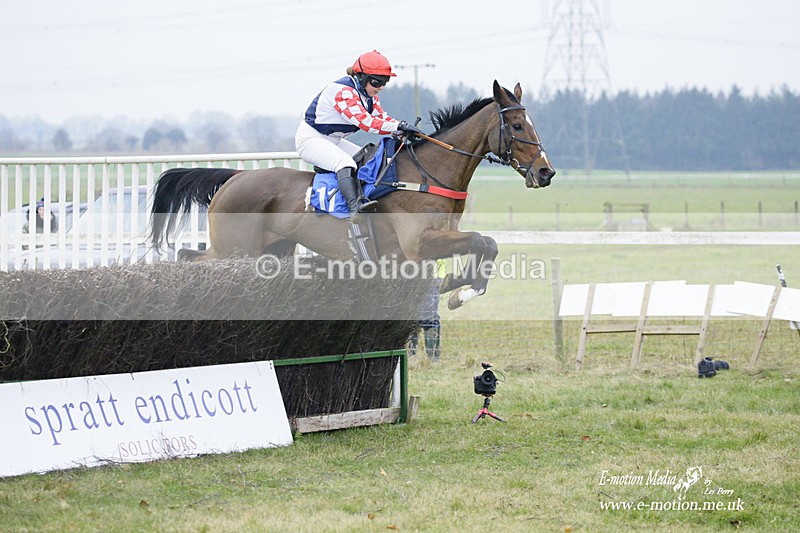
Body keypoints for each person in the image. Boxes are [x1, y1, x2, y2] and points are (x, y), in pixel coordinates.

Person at [296, 50, 421, 218]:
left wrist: (402, 129)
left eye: (385, 82)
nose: (381, 87)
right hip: (310, 140)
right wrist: (399, 125)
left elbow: (382, 118)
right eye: (377, 82)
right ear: (361, 77)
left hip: (334, 140)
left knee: (367, 159)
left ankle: (364, 198)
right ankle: (354, 207)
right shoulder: (343, 92)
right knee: (345, 163)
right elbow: (366, 122)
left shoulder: (368, 96)